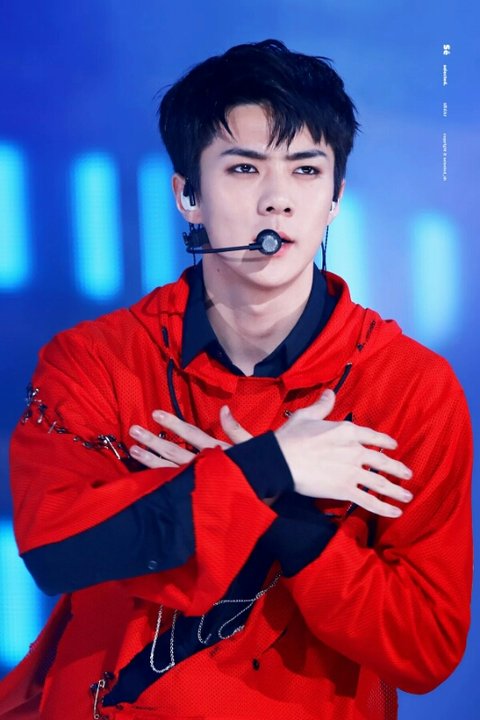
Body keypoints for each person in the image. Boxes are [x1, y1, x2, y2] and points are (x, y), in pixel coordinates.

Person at [0, 39, 472, 720]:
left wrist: (275, 510)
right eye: (244, 168)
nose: (277, 202)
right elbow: (58, 552)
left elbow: (424, 648)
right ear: (188, 196)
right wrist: (269, 466)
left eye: (306, 171)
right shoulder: (94, 360)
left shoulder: (410, 387)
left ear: (336, 199)